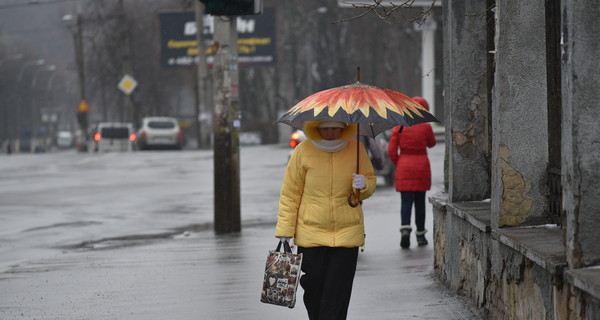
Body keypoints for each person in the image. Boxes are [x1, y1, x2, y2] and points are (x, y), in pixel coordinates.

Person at [275, 120, 376, 320]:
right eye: (326, 129)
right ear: (317, 129)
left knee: (339, 289)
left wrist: (364, 184)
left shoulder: (357, 149)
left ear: (343, 128)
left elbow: (369, 182)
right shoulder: (303, 151)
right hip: (311, 232)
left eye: (335, 128)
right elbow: (290, 193)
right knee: (313, 286)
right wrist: (285, 231)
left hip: (347, 232)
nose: (330, 133)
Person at [387, 96, 437, 249]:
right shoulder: (425, 126)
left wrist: (399, 163)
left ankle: (405, 230)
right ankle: (420, 235)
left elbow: (391, 151)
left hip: (404, 166)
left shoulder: (399, 127)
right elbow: (432, 143)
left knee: (406, 202)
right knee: (420, 203)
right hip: (421, 166)